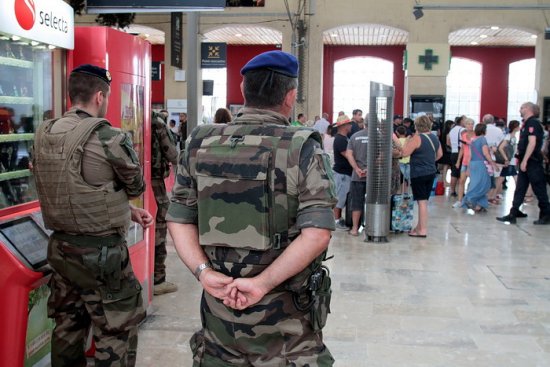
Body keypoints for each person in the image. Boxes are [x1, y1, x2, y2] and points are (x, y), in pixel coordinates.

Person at [166, 50, 336, 366]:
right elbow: (317, 234)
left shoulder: (199, 142)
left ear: (244, 92)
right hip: (286, 327)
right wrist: (261, 284)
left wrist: (204, 273)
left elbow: (178, 218)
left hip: (219, 320)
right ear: (290, 96)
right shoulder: (303, 148)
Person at [32, 64, 153, 366]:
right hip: (103, 256)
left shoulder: (44, 133)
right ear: (100, 96)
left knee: (67, 327)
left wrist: (126, 210)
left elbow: (73, 189)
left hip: (60, 250)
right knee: (116, 329)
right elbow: (136, 184)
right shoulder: (109, 137)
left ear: (72, 94)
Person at [497, 102, 550, 224]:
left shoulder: (533, 123)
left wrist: (525, 160)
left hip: (532, 162)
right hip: (525, 160)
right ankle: (514, 212)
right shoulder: (526, 124)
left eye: (522, 107)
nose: (520, 109)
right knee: (520, 187)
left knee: (538, 187)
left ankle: (546, 214)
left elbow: (532, 143)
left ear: (528, 109)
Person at [151, 111, 179, 295]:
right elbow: (173, 154)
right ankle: (158, 278)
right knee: (160, 228)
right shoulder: (156, 121)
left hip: (131, 184)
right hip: (155, 184)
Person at [400, 115, 443, 237]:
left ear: (416, 125)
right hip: (431, 172)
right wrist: (429, 161)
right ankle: (418, 227)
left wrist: (407, 141)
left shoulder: (417, 138)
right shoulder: (434, 137)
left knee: (421, 202)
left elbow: (405, 153)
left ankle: (422, 230)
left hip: (419, 173)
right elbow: (440, 154)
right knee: (424, 200)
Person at [461, 123, 496, 213]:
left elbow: (470, 155)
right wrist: (493, 163)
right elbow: (485, 153)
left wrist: (468, 168)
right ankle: (470, 199)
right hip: (481, 164)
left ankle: (480, 205)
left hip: (473, 164)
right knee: (484, 185)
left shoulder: (473, 140)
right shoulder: (483, 139)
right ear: (484, 131)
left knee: (476, 183)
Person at [344, 117, 368, 236]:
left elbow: (349, 154)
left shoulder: (355, 136)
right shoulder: (379, 137)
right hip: (375, 177)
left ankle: (354, 229)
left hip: (357, 176)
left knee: (357, 203)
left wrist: (357, 169)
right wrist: (369, 169)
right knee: (374, 202)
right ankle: (372, 228)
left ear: (364, 123)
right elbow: (382, 155)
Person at [332, 114, 354, 230]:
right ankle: (336, 220)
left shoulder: (345, 138)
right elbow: (347, 155)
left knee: (343, 197)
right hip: (342, 173)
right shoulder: (340, 139)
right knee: (340, 197)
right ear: (344, 126)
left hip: (345, 173)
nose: (351, 126)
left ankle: (339, 218)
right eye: (349, 124)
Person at [453, 118, 475, 208]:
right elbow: (462, 149)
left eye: (471, 124)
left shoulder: (476, 135)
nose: (470, 125)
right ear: (465, 125)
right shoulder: (464, 135)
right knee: (462, 181)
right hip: (465, 161)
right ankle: (459, 201)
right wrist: (458, 161)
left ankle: (471, 200)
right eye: (468, 124)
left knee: (473, 182)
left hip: (473, 161)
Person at [448, 115, 466, 197]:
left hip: (453, 152)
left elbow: (448, 141)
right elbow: (464, 142)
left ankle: (452, 191)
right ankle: (460, 190)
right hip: (460, 152)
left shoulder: (452, 130)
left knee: (454, 172)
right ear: (461, 121)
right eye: (465, 120)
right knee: (461, 172)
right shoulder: (462, 130)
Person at [396, 125, 410, 193]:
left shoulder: (397, 141)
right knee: (406, 180)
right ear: (405, 132)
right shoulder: (409, 141)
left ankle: (400, 193)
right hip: (408, 162)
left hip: (400, 161)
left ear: (397, 133)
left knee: (400, 180)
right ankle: (406, 193)